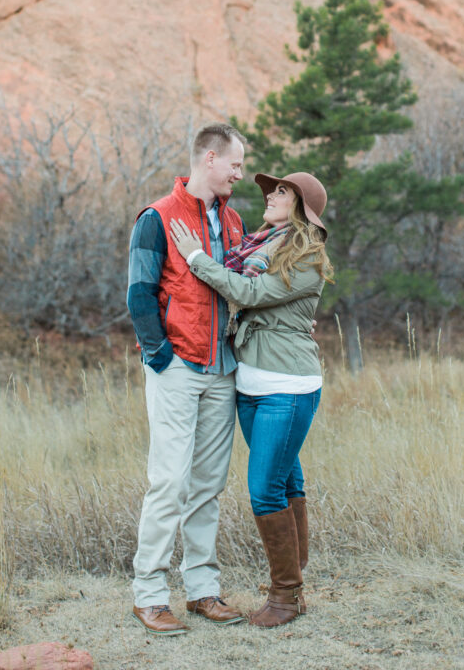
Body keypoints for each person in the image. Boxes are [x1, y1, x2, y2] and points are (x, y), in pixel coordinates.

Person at [170, 171, 333, 628]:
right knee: (285, 483)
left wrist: (196, 257)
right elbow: (245, 297)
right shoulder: (260, 246)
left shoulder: (307, 256)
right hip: (251, 385)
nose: (271, 195)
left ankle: (285, 597)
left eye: (281, 191)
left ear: (301, 206)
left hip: (288, 387)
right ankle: (295, 581)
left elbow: (248, 293)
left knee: (263, 490)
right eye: (273, 189)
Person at [127, 123, 248, 636]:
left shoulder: (236, 221)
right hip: (178, 366)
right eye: (236, 165)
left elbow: (244, 287)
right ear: (211, 158)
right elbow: (139, 294)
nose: (240, 174)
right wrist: (162, 359)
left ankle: (201, 590)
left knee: (207, 487)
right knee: (169, 482)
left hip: (223, 370)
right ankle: (150, 595)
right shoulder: (157, 218)